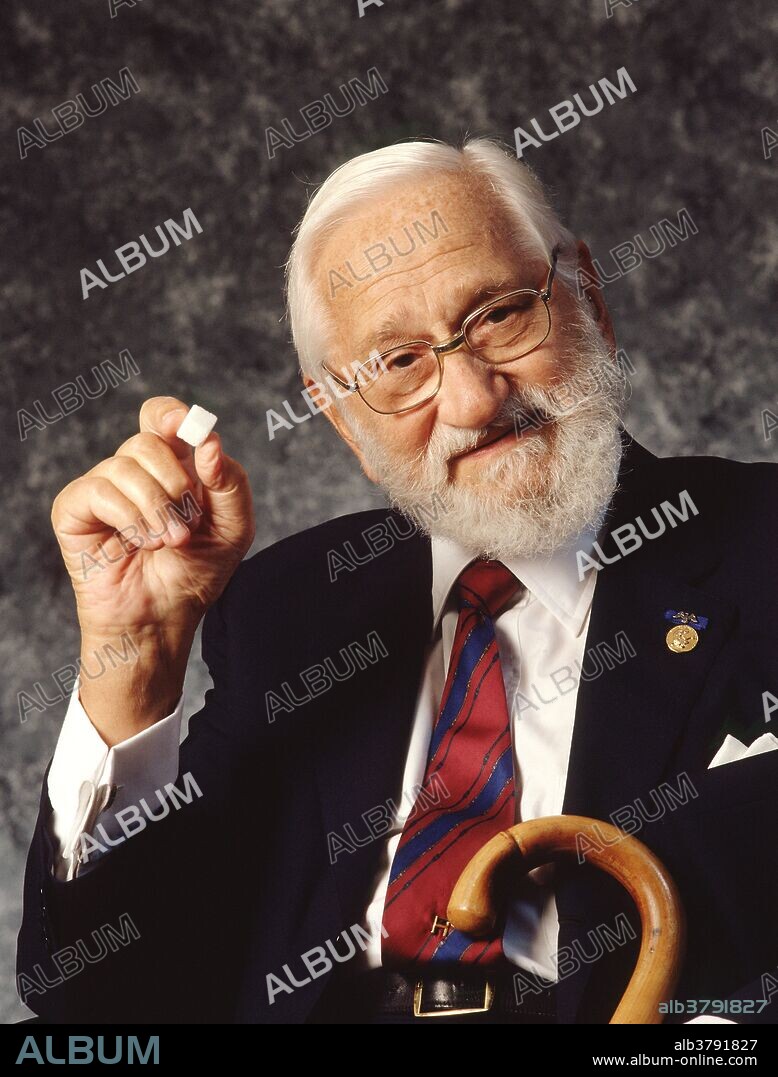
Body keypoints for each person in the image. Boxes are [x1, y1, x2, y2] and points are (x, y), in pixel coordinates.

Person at [18, 139, 778, 1024]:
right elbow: (93, 994)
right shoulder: (288, 609)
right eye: (399, 363)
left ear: (589, 303)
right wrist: (135, 656)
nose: (472, 398)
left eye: (498, 314)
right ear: (343, 420)